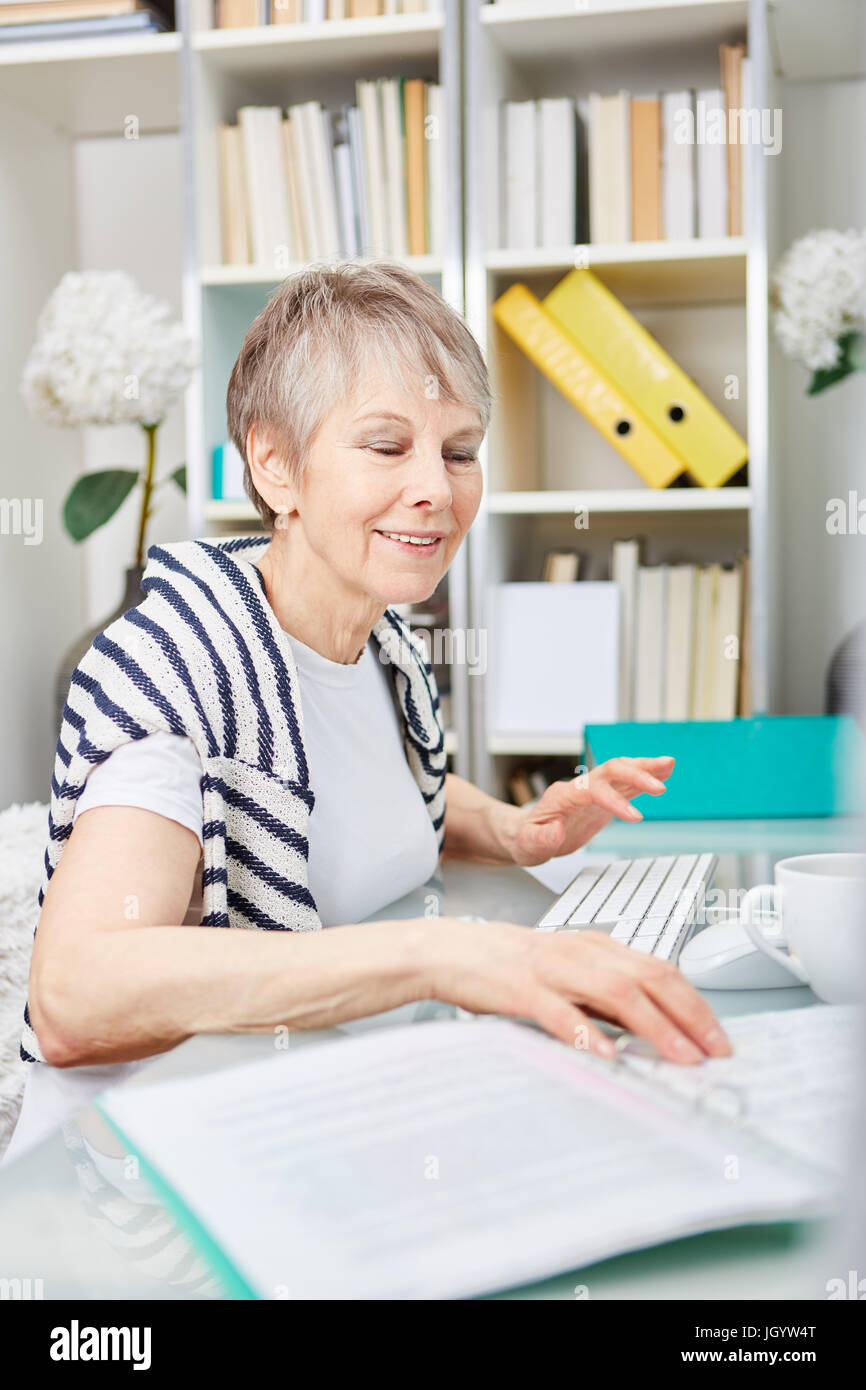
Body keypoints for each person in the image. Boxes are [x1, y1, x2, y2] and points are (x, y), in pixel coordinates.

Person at [4, 262, 730, 1165]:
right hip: (141, 1179)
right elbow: (77, 994)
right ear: (274, 464)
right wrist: (441, 956)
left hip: (301, 1105)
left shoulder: (385, 643)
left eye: (459, 451)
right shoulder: (179, 658)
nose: (436, 487)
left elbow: (371, 783)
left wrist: (512, 832)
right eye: (386, 446)